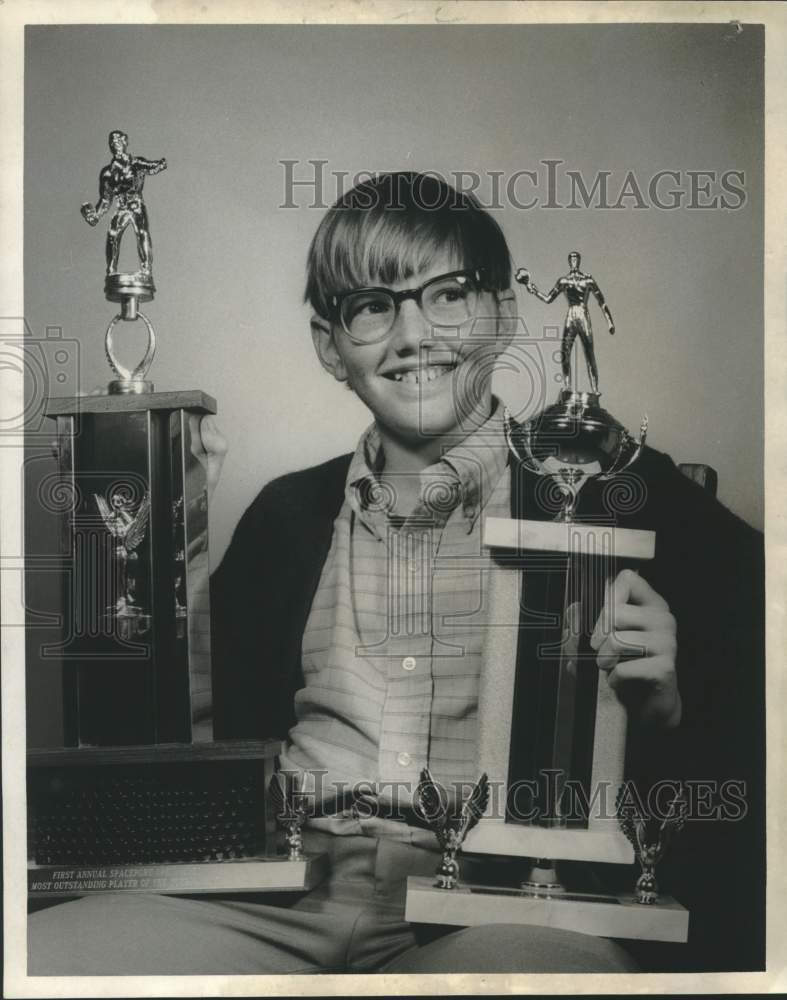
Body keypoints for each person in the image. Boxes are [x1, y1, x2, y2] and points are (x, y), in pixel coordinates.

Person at [29, 173, 763, 976]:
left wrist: (673, 708)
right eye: (372, 305)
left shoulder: (616, 491)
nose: (412, 333)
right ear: (329, 345)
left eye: (446, 295)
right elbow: (181, 741)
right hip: (276, 891)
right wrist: (171, 541)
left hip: (503, 907)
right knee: (49, 958)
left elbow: (747, 720)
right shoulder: (285, 516)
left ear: (503, 315)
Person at [516, 250, 614, 393]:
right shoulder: (564, 281)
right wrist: (535, 291)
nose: (574, 261)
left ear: (579, 261)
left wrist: (610, 322)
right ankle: (567, 386)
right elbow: (548, 299)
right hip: (571, 315)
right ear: (569, 262)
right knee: (565, 351)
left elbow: (602, 302)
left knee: (589, 352)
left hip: (583, 314)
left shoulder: (588, 280)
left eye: (576, 259)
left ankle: (595, 389)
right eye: (571, 259)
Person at [80, 130, 167, 278]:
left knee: (142, 233)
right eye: (113, 143)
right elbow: (106, 199)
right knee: (112, 235)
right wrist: (95, 215)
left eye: (119, 142)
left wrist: (161, 164)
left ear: (125, 143)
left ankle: (146, 269)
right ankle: (111, 271)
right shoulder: (107, 173)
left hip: (136, 205)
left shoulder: (135, 164)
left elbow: (151, 166)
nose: (116, 145)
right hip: (121, 208)